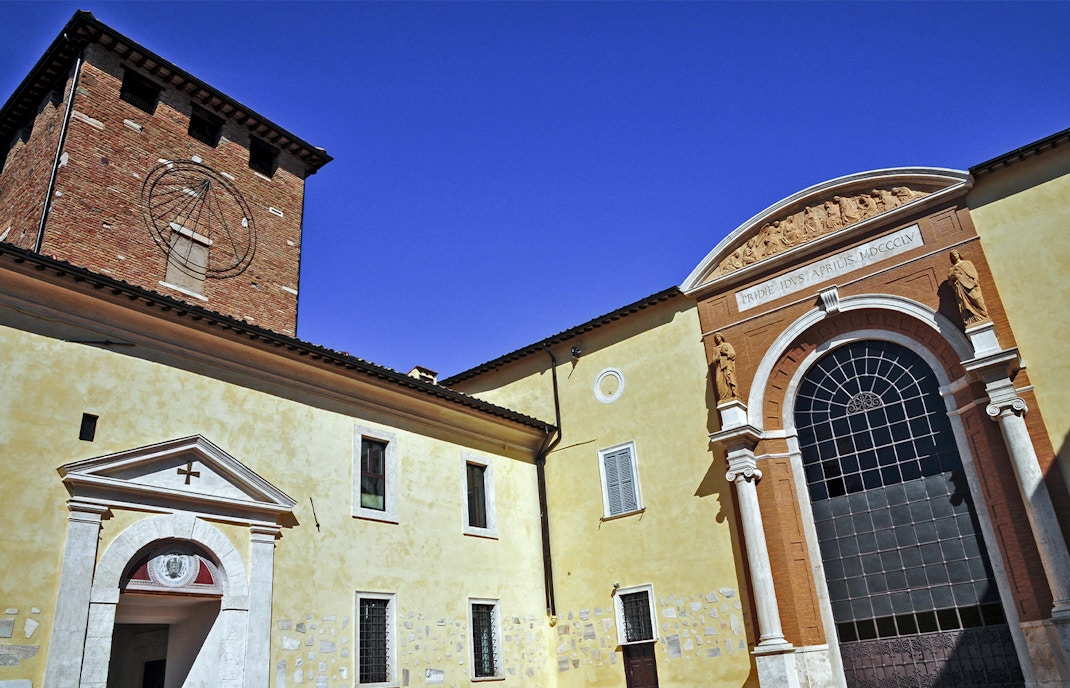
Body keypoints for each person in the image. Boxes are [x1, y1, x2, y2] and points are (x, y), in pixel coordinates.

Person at [948, 250, 989, 325]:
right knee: (964, 303)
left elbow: (974, 273)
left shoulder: (967, 263)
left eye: (955, 254)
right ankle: (971, 318)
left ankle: (983, 315)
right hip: (961, 288)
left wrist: (975, 281)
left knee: (977, 299)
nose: (954, 256)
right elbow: (950, 281)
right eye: (952, 255)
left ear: (959, 254)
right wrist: (954, 277)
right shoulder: (952, 269)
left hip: (971, 285)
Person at [712, 333, 739, 402]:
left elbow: (733, 354)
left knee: (729, 378)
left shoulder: (727, 345)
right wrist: (717, 359)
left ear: (721, 337)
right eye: (715, 337)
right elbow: (713, 360)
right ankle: (723, 397)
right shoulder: (715, 349)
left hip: (727, 365)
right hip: (719, 367)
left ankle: (733, 394)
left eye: (718, 336)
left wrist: (725, 353)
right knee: (718, 380)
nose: (717, 338)